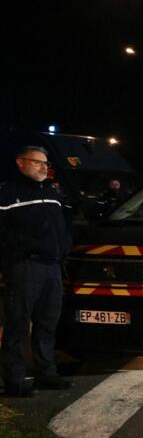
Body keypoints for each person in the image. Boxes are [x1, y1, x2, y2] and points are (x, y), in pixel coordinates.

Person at [1, 145, 73, 397]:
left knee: (47, 323)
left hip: (52, 267)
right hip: (25, 266)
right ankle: (15, 380)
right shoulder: (8, 193)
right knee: (18, 325)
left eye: (46, 163)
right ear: (20, 162)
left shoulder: (51, 192)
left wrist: (64, 247)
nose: (44, 167)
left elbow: (64, 225)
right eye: (37, 162)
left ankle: (47, 374)